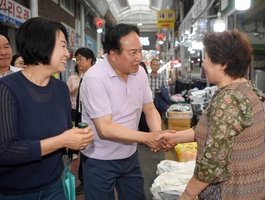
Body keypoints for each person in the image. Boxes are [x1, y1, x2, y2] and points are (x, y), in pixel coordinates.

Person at [157, 29, 265, 200]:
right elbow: (216, 131)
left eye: (206, 58)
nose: (204, 64)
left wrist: (187, 194)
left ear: (222, 64)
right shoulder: (244, 89)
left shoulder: (229, 99)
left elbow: (213, 161)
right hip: (256, 185)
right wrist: (174, 137)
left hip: (236, 190)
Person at [0, 17, 94, 199]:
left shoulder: (60, 89)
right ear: (42, 45)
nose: (68, 54)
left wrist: (78, 137)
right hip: (16, 192)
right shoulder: (7, 89)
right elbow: (6, 151)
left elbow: (65, 131)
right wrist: (63, 140)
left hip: (54, 185)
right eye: (63, 46)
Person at [80, 23, 171, 199]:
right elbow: (104, 128)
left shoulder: (140, 73)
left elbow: (149, 108)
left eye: (140, 51)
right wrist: (146, 138)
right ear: (113, 54)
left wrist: (157, 134)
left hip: (129, 156)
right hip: (100, 159)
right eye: (132, 53)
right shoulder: (95, 78)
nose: (139, 57)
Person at [73, 47, 96, 195]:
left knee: (90, 153)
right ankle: (84, 181)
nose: (78, 62)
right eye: (76, 59)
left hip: (93, 122)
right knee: (84, 152)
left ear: (89, 60)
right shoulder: (84, 77)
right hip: (82, 119)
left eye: (80, 59)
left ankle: (87, 182)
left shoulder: (94, 78)